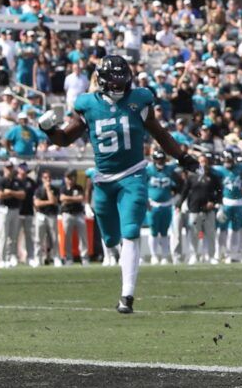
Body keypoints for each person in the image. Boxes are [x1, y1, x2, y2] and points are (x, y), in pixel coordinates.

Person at [44, 54, 196, 312]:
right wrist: (48, 130)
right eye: (114, 83)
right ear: (102, 82)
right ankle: (117, 258)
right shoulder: (87, 105)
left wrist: (182, 156)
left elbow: (159, 133)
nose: (120, 87)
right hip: (103, 180)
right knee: (111, 239)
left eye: (122, 81)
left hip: (133, 174)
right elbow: (64, 139)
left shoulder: (139, 100)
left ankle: (127, 296)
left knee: (131, 231)